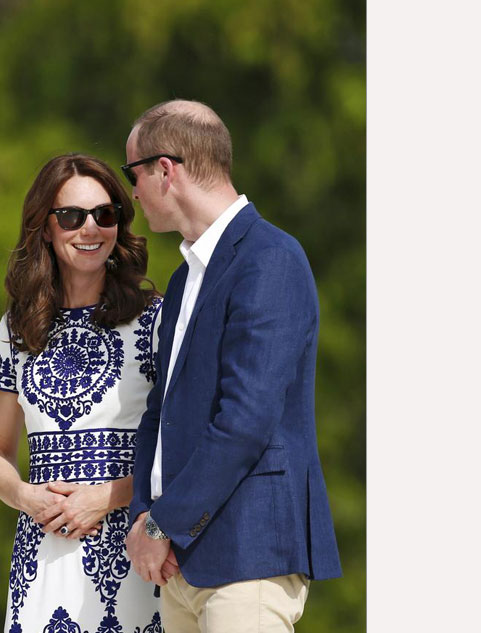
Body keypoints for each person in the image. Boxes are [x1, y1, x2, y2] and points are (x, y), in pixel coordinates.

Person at [122, 100, 343, 632]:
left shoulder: (270, 258)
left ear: (165, 171)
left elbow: (246, 420)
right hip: (178, 567)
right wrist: (143, 517)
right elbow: (162, 410)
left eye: (134, 174)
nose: (132, 192)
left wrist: (163, 524)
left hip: (250, 559)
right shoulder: (182, 280)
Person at [0, 154, 165, 633]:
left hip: (132, 551)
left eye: (105, 215)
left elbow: (178, 449)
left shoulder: (154, 320)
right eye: (71, 216)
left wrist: (106, 497)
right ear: (45, 227)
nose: (90, 229)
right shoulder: (17, 327)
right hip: (43, 555)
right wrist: (25, 497)